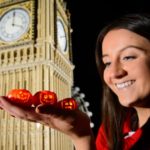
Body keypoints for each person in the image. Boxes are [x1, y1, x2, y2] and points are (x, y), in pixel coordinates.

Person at [1, 12, 150, 150]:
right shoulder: (113, 130)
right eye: (107, 63)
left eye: (129, 57)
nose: (114, 73)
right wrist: (80, 134)